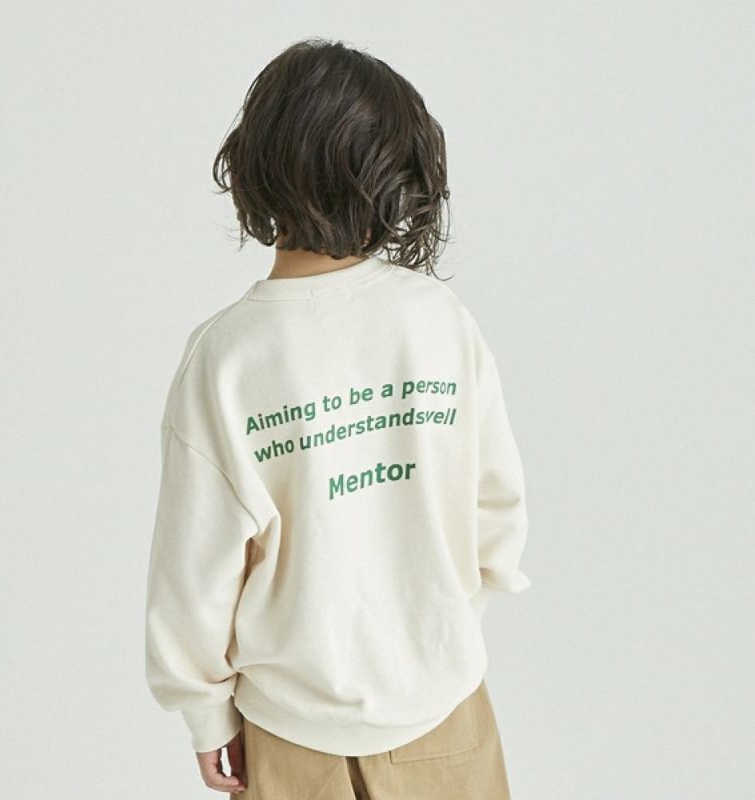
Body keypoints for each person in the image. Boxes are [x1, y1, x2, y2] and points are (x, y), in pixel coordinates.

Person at [144, 37, 531, 798]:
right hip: (444, 713)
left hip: (289, 734)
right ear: (396, 176)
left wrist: (205, 714)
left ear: (257, 165)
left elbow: (194, 570)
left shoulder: (227, 358)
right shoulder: (438, 320)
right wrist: (439, 628)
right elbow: (497, 507)